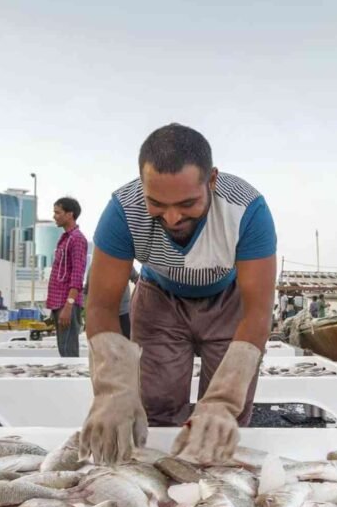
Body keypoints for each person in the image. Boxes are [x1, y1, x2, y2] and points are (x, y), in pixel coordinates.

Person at [80, 123, 276, 464]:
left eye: (187, 203)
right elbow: (100, 306)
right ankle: (161, 477)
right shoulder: (122, 211)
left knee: (224, 415)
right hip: (159, 300)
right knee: (157, 401)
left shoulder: (247, 209)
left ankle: (216, 480)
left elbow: (258, 311)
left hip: (229, 302)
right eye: (157, 203)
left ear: (211, 181)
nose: (172, 217)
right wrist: (112, 387)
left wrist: (223, 401)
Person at [47, 197, 88, 358]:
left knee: (68, 353)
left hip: (67, 304)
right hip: (60, 304)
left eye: (58, 212)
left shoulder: (77, 239)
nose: (54, 216)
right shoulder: (65, 239)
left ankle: (71, 383)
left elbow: (77, 277)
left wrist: (68, 306)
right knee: (63, 350)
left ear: (70, 214)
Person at [117, 266, 138, 339]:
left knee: (128, 341)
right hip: (107, 314)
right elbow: (87, 289)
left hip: (125, 311)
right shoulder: (98, 266)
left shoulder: (124, 261)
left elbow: (137, 279)